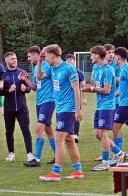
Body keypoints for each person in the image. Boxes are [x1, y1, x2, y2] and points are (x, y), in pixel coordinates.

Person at [38, 44, 83, 182]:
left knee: (59, 139)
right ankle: (78, 170)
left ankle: (56, 172)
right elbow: (39, 77)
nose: (45, 59)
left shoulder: (69, 69)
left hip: (68, 109)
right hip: (60, 109)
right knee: (69, 140)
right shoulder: (52, 69)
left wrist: (78, 110)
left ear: (52, 54)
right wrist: (39, 62)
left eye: (45, 56)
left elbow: (76, 90)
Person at [82, 45, 127, 170]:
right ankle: (119, 153)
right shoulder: (96, 67)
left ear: (97, 55)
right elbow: (96, 85)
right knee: (98, 134)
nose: (90, 57)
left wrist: (90, 89)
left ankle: (105, 162)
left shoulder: (108, 70)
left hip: (107, 105)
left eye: (91, 55)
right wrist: (88, 87)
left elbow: (107, 90)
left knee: (102, 133)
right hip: (100, 105)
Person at [21, 46, 56, 167]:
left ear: (36, 54)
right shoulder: (36, 67)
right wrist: (26, 81)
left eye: (30, 56)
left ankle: (36, 158)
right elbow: (36, 87)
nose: (28, 59)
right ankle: (58, 155)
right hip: (39, 102)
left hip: (48, 100)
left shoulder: (47, 65)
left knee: (39, 128)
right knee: (48, 129)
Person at [0, 52, 34, 162]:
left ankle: (29, 153)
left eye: (16, 58)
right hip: (9, 108)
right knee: (9, 131)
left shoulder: (22, 73)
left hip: (22, 108)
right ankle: (11, 153)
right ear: (7, 61)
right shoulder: (2, 74)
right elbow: (0, 93)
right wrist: (8, 90)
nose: (15, 60)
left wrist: (25, 89)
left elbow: (29, 88)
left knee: (26, 130)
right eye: (12, 59)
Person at [65, 53, 87, 143]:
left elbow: (83, 86)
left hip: (76, 98)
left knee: (76, 116)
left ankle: (75, 134)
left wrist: (84, 98)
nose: (69, 61)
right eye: (67, 60)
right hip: (66, 99)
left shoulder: (79, 73)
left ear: (74, 61)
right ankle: (68, 133)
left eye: (70, 59)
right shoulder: (64, 71)